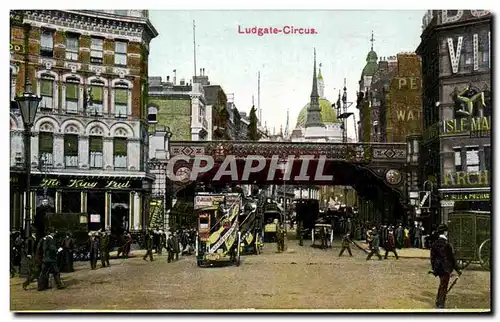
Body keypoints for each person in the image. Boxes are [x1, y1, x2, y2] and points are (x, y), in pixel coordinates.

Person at [430, 224, 461, 309]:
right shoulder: (447, 245)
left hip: (438, 269)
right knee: (444, 286)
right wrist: (458, 270)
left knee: (442, 284)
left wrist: (434, 269)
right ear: (445, 232)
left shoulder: (434, 244)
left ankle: (438, 300)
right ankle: (440, 304)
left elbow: (432, 258)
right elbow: (452, 259)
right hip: (445, 269)